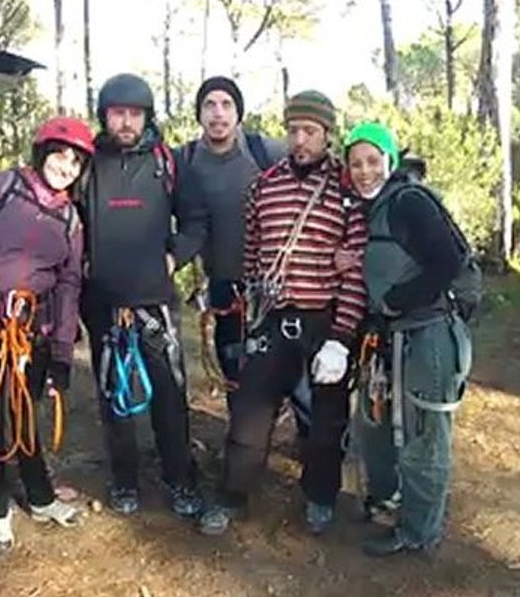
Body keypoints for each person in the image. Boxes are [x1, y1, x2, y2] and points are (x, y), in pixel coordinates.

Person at [199, 90, 368, 536]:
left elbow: (355, 272)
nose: (300, 140)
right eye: (293, 130)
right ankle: (232, 497)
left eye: (310, 131)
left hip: (324, 321)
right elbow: (253, 257)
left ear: (327, 134)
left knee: (327, 422)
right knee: (249, 417)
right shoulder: (264, 186)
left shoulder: (347, 189)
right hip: (272, 320)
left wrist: (341, 339)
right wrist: (253, 310)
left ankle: (321, 497)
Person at [0, 115, 95, 551]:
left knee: (25, 416)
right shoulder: (3, 187)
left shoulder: (71, 219)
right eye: (59, 156)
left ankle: (40, 497)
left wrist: (61, 352)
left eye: (75, 162)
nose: (65, 167)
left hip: (32, 332)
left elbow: (68, 286)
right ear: (42, 153)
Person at [78, 73, 207, 518]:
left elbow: (196, 221)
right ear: (105, 116)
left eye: (135, 114)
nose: (127, 122)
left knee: (169, 395)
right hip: (103, 303)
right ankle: (124, 481)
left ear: (147, 117)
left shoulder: (167, 163)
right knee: (113, 396)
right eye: (118, 114)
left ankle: (180, 479)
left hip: (155, 301)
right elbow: (69, 221)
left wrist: (173, 258)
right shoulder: (87, 164)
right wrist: (82, 263)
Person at [342, 122, 472, 557]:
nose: (365, 172)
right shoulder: (370, 208)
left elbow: (449, 260)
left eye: (373, 161)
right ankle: (389, 501)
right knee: (376, 424)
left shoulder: (409, 201)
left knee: (424, 436)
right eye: (356, 164)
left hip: (427, 335)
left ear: (390, 160)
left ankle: (419, 531)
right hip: (389, 337)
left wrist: (398, 301)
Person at [175, 76, 286, 412]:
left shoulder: (266, 151)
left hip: (273, 286)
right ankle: (242, 432)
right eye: (209, 105)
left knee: (285, 372)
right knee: (234, 369)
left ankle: (307, 435)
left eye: (226, 105)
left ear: (238, 113)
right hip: (224, 287)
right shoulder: (183, 160)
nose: (218, 113)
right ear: (199, 114)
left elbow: (317, 167)